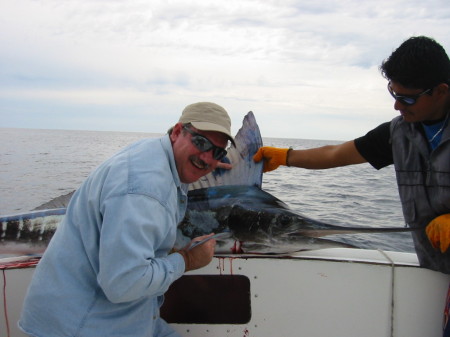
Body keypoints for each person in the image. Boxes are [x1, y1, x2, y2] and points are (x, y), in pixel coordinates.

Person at [253, 36, 450, 336]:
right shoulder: (398, 133)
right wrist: (286, 156)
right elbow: (336, 154)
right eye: (393, 94)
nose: (397, 105)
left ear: (440, 91)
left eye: (407, 98)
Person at [19, 102, 235, 337]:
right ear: (176, 132)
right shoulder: (145, 189)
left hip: (127, 319)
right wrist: (187, 260)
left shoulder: (156, 155)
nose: (206, 158)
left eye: (217, 152)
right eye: (200, 143)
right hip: (82, 326)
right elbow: (124, 284)